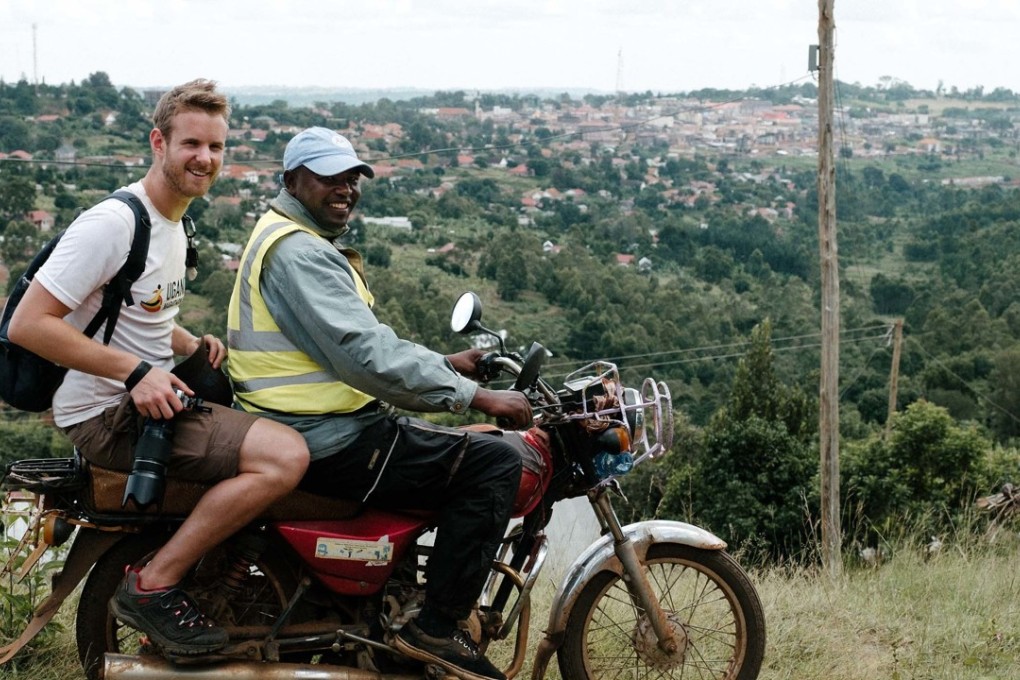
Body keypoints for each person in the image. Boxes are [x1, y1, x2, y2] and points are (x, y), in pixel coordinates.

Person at [7, 79, 309, 656]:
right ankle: (153, 583)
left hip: (139, 397)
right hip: (105, 415)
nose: (205, 158)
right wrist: (135, 372)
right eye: (191, 143)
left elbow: (130, 309)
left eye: (216, 147)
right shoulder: (115, 223)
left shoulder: (172, 221)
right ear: (158, 142)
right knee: (285, 455)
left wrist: (186, 341)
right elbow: (29, 324)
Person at [226, 127, 532, 680]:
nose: (345, 189)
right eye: (329, 177)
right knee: (495, 462)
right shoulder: (300, 252)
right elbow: (365, 355)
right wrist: (477, 397)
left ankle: (393, 594)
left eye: (351, 177)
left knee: (450, 451)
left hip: (306, 424)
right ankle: (435, 629)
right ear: (292, 180)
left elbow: (362, 342)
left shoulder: (287, 234)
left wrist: (445, 365)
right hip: (329, 437)